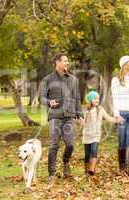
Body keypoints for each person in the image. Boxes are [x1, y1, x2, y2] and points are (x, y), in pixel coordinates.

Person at [40, 53, 84, 188]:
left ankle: (65, 162)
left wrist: (80, 113)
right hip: (55, 116)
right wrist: (49, 102)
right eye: (65, 61)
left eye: (67, 61)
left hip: (69, 115)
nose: (67, 63)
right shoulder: (47, 79)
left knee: (70, 144)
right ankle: (51, 174)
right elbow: (41, 98)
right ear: (57, 62)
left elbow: (77, 98)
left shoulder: (73, 80)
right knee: (54, 145)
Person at [81, 91, 123, 176]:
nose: (97, 100)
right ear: (90, 100)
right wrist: (79, 120)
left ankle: (92, 169)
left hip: (96, 135)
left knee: (94, 151)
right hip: (87, 135)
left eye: (98, 99)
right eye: (95, 98)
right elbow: (82, 122)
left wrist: (117, 120)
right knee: (87, 154)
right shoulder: (86, 110)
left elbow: (108, 118)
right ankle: (86, 171)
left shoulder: (100, 109)